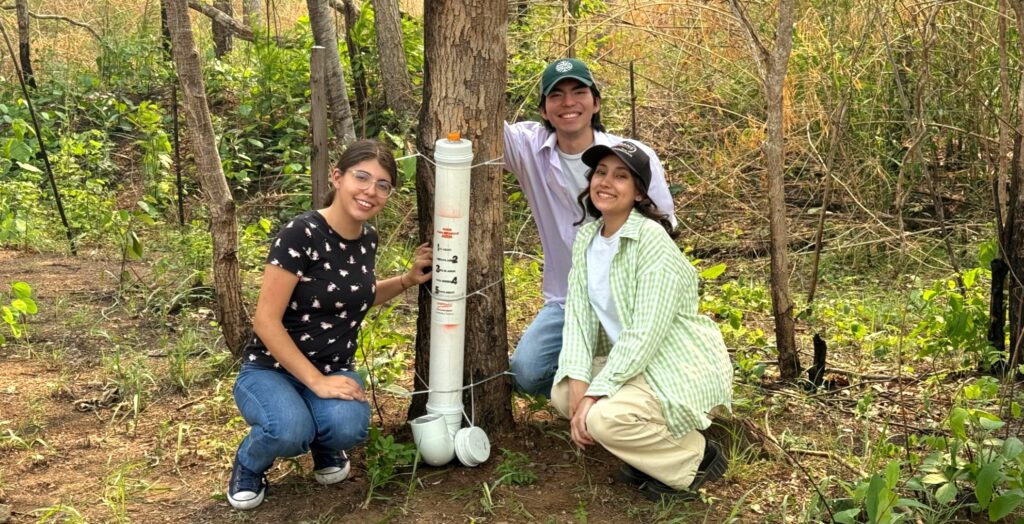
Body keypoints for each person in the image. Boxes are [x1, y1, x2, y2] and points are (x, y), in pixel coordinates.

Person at [227, 139, 432, 510]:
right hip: (270, 370)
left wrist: (406, 280)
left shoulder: (367, 238)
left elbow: (353, 294)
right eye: (362, 177)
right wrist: (316, 382)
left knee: (348, 426)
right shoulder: (301, 233)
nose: (371, 191)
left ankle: (325, 445)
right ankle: (249, 462)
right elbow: (265, 320)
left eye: (383, 184)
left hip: (332, 367)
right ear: (338, 177)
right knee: (288, 431)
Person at [550, 141, 733, 501]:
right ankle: (652, 454)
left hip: (675, 365)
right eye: (600, 172)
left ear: (637, 193)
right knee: (563, 394)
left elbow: (644, 334)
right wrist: (580, 383)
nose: (606, 182)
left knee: (600, 418)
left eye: (621, 176)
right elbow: (578, 317)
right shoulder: (588, 237)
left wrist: (595, 396)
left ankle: (695, 457)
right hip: (637, 363)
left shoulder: (652, 242)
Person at [504, 58, 677, 397]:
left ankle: (616, 381)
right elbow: (474, 114)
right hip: (568, 299)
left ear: (595, 102)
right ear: (543, 109)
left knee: (656, 365)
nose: (568, 103)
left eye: (579, 92)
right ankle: (599, 372)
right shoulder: (528, 149)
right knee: (526, 372)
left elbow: (664, 226)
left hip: (629, 295)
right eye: (556, 95)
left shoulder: (633, 155)